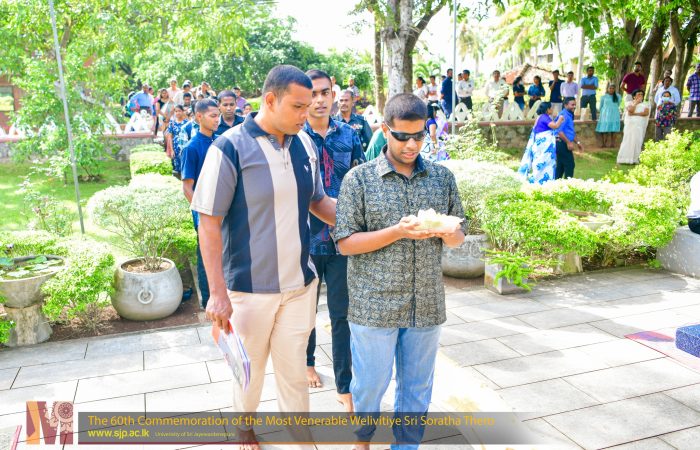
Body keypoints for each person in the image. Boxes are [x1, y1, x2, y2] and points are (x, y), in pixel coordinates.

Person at [192, 65, 337, 449]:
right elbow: (209, 223)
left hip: (300, 286)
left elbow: (318, 201)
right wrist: (217, 293)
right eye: (298, 106)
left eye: (310, 104)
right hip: (248, 291)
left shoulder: (305, 144)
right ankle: (244, 426)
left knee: (293, 371)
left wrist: (365, 222)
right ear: (270, 100)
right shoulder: (230, 148)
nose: (307, 113)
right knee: (248, 370)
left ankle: (300, 436)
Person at [333, 93, 466, 450]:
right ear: (385, 130)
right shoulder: (359, 180)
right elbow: (345, 243)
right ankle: (362, 439)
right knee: (370, 384)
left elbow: (458, 237)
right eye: (402, 136)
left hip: (426, 302)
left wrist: (446, 230)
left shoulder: (441, 178)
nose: (411, 145)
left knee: (417, 387)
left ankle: (406, 446)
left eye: (419, 136)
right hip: (373, 305)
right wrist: (397, 231)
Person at [302, 69, 365, 413]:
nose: (320, 100)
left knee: (342, 315)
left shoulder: (350, 135)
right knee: (305, 312)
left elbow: (361, 182)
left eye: (325, 92)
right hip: (305, 241)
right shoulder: (295, 138)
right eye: (313, 93)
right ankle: (308, 363)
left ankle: (345, 384)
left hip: (342, 240)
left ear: (333, 94)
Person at [181, 98, 220, 310]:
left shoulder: (221, 142)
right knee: (207, 258)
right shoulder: (191, 148)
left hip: (224, 211)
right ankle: (208, 302)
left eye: (218, 115)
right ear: (199, 117)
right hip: (204, 215)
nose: (217, 119)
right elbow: (187, 187)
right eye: (212, 116)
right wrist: (202, 214)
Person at [518, 101, 564, 184]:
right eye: (551, 108)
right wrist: (560, 119)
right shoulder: (544, 118)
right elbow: (555, 126)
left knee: (542, 163)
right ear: (547, 109)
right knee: (542, 163)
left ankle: (541, 182)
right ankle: (538, 182)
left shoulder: (541, 117)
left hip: (541, 145)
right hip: (543, 147)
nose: (552, 110)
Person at [617, 89, 650, 164]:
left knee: (637, 141)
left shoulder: (645, 104)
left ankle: (634, 159)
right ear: (634, 96)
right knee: (628, 140)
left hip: (639, 126)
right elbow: (630, 110)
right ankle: (625, 159)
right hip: (630, 125)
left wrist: (635, 114)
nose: (640, 96)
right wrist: (636, 103)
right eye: (638, 94)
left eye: (641, 94)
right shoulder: (629, 103)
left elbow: (646, 113)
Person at [555, 97, 583, 179]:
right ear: (566, 105)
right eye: (572, 105)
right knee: (570, 164)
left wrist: (578, 142)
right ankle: (568, 183)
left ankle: (556, 183)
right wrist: (568, 142)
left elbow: (570, 132)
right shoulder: (564, 115)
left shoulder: (569, 115)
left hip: (563, 142)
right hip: (561, 143)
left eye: (575, 105)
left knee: (561, 166)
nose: (574, 106)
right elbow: (559, 131)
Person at [165, 104, 189, 178]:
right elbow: (170, 137)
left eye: (179, 111)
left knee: (185, 166)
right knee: (176, 168)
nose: (177, 113)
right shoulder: (172, 123)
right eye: (176, 111)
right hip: (175, 148)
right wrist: (171, 150)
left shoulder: (187, 123)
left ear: (183, 112)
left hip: (184, 147)